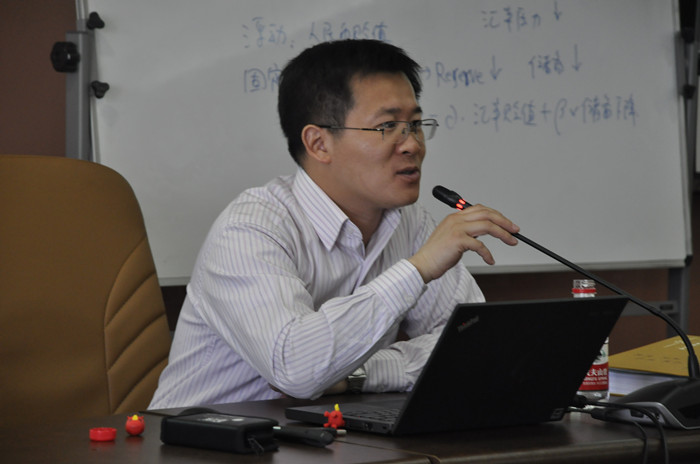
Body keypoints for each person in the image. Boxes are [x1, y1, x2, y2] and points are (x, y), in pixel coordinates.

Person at [149, 39, 519, 409]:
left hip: (326, 432)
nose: (412, 145)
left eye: (416, 124)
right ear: (319, 143)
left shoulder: (411, 223)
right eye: (388, 126)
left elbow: (475, 346)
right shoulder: (249, 229)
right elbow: (296, 369)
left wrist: (360, 376)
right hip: (199, 436)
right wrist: (417, 269)